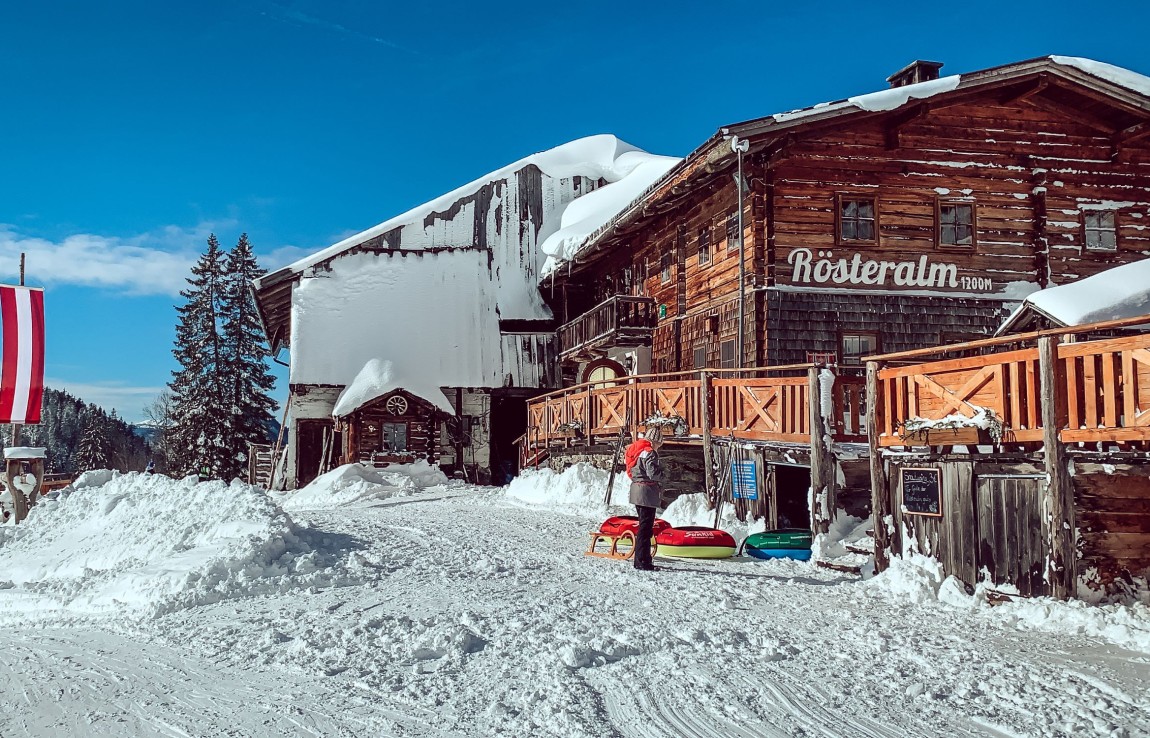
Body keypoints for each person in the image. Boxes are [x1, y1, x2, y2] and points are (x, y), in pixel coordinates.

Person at [624, 425, 664, 572]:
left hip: (636, 489)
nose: (659, 447)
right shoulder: (649, 452)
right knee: (645, 529)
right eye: (659, 444)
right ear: (654, 441)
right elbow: (652, 472)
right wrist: (663, 475)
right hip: (646, 492)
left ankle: (641, 559)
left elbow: (630, 470)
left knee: (643, 526)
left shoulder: (634, 449)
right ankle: (642, 561)